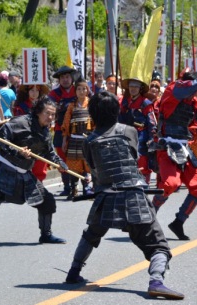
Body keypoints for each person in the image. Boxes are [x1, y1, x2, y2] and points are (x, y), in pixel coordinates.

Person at [64, 91, 185, 300]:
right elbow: (132, 157)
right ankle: (156, 280)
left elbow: (95, 170)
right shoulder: (129, 131)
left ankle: (73, 272)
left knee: (91, 234)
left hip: (106, 196)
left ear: (92, 113)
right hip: (133, 195)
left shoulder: (89, 141)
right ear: (116, 111)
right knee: (159, 246)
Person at [0, 96, 69, 248]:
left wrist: (59, 163)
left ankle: (46, 235)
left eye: (53, 115)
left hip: (23, 171)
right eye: (48, 113)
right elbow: (0, 139)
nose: (50, 117)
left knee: (46, 201)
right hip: (4, 167)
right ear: (38, 112)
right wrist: (17, 151)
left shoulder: (45, 131)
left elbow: (49, 153)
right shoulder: (19, 123)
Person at [151, 66, 197, 241]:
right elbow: (188, 88)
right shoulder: (173, 90)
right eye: (195, 87)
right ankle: (149, 216)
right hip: (166, 145)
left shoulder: (194, 101)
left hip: (185, 147)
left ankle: (179, 221)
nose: (196, 93)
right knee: (170, 184)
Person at [119, 77, 157, 184]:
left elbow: (152, 123)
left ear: (140, 89)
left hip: (141, 135)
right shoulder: (125, 102)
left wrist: (151, 139)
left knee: (142, 158)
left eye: (136, 87)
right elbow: (120, 118)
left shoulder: (146, 103)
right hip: (126, 133)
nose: (133, 89)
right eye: (131, 86)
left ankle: (145, 183)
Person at [61, 79, 94, 200]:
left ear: (87, 90)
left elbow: (95, 122)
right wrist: (65, 140)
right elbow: (66, 123)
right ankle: (73, 188)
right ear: (75, 91)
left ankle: (86, 188)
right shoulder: (71, 106)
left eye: (84, 89)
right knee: (74, 165)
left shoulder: (91, 105)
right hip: (74, 140)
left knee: (87, 164)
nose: (81, 91)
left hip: (87, 139)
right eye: (79, 89)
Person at [49, 66, 78, 196]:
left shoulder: (80, 91)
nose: (65, 80)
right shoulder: (53, 94)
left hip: (77, 131)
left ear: (72, 78)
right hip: (60, 131)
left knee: (78, 158)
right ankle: (66, 186)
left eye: (67, 77)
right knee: (62, 159)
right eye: (62, 78)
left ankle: (78, 185)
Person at [12, 84, 51, 182]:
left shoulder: (44, 106)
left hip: (40, 139)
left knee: (40, 165)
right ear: (27, 92)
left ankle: (38, 187)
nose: (34, 93)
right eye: (32, 90)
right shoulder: (20, 107)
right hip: (26, 140)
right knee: (25, 166)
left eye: (37, 91)